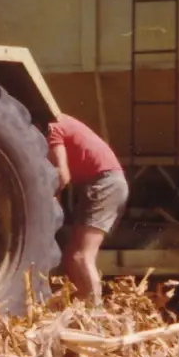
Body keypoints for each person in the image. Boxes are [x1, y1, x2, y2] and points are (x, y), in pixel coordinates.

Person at [46, 113, 128, 304]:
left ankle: (94, 312)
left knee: (81, 256)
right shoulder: (59, 121)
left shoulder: (52, 127)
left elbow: (62, 176)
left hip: (105, 183)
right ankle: (84, 304)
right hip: (106, 181)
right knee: (71, 256)